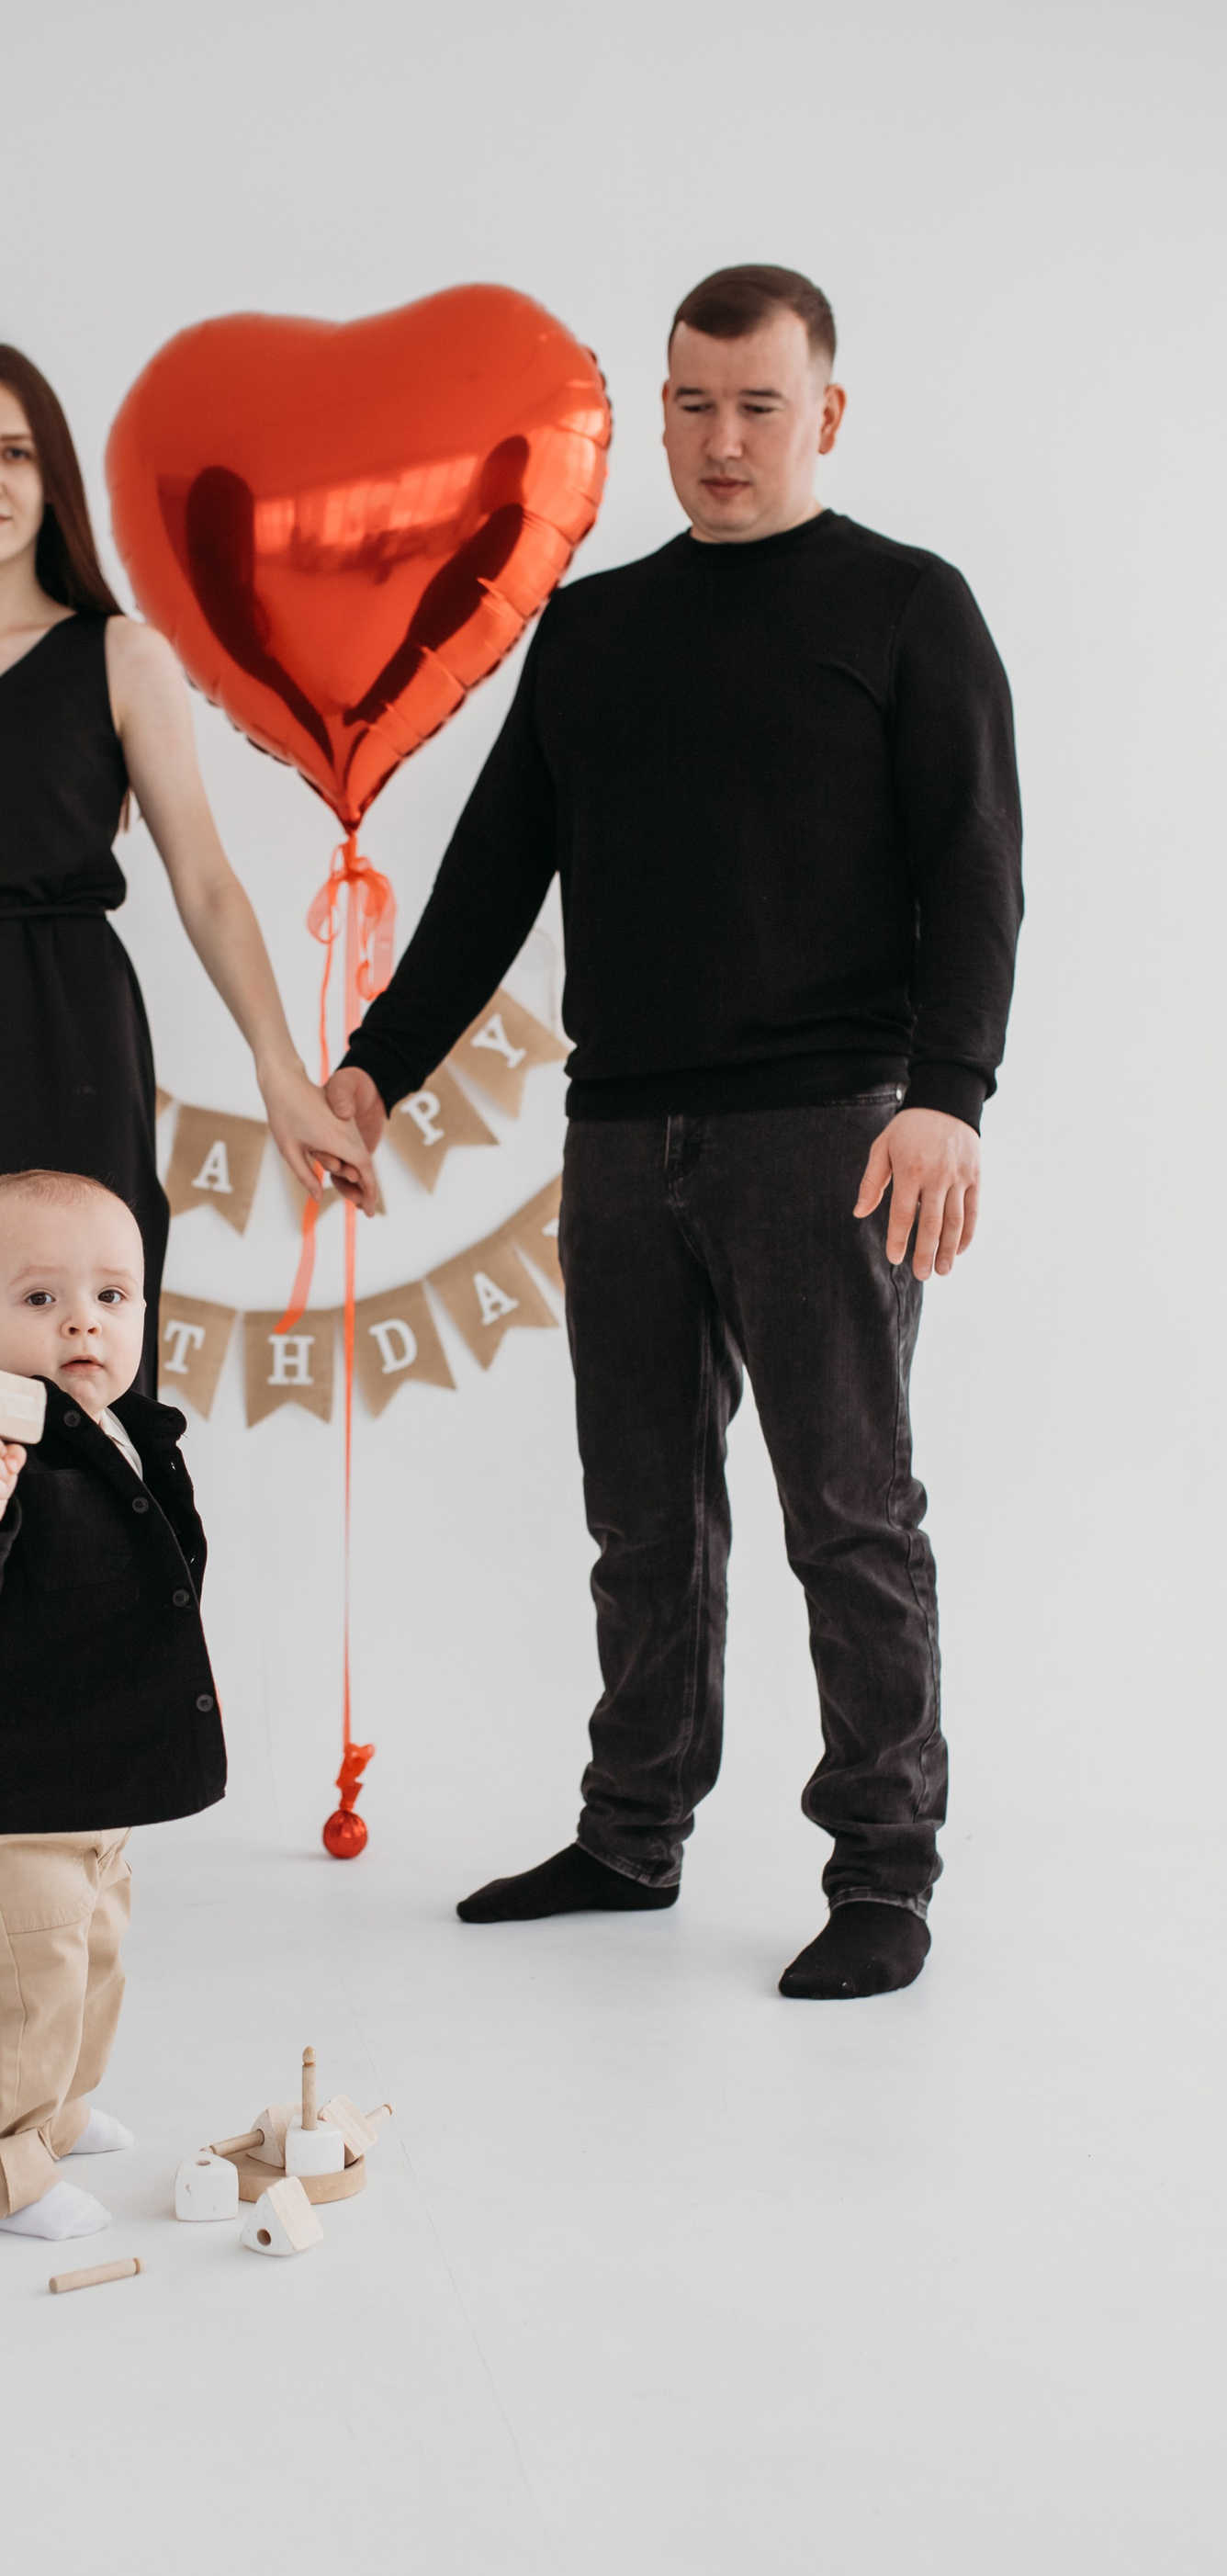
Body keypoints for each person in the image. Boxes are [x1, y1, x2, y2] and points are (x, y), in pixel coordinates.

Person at [325, 266, 1022, 2000]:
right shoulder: (595, 630)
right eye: (694, 405)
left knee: (848, 1515)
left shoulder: (908, 606)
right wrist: (373, 1073)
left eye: (759, 407)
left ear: (824, 414)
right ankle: (631, 1834)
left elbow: (977, 870)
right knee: (641, 1517)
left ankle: (884, 1873)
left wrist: (950, 1098)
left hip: (831, 1133)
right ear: (659, 413)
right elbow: (493, 876)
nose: (723, 440)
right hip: (625, 1138)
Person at [0, 339, 374, 1574]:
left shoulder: (119, 655)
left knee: (81, 1352)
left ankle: (94, 1656)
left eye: (17, 453)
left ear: (53, 483)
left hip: (67, 1036)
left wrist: (280, 1070)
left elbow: (205, 880)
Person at [0, 1168, 222, 2239]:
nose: (82, 1322)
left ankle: (54, 2115)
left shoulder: (129, 1437)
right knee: (17, 1990)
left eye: (111, 1296)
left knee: (87, 1964)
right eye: (40, 1298)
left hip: (83, 1783)